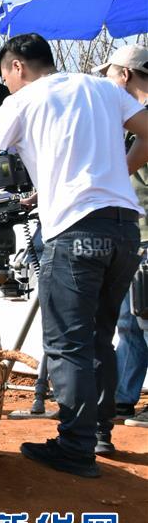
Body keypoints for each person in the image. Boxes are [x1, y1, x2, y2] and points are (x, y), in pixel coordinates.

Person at [0, 33, 148, 476]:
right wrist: (119, 171)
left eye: (5, 77)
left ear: (17, 67)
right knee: (100, 336)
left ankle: (75, 447)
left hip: (75, 232)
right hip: (124, 229)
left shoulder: (22, 101)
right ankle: (98, 433)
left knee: (67, 342)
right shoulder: (103, 88)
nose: (7, 86)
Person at [95, 45, 148, 425]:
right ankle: (124, 398)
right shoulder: (134, 122)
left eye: (111, 74)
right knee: (130, 321)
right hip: (136, 234)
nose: (107, 82)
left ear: (126, 74)